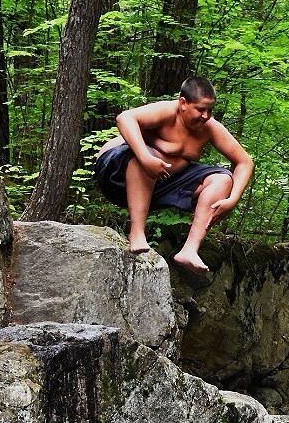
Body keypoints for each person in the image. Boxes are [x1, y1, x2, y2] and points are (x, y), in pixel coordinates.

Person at [93, 76, 253, 274]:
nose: (206, 116)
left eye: (210, 110)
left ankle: (190, 250)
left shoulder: (210, 128)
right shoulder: (167, 111)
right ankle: (136, 233)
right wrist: (145, 158)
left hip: (161, 185)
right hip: (114, 175)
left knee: (222, 179)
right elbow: (124, 118)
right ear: (183, 103)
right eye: (200, 109)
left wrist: (233, 199)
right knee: (144, 157)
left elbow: (245, 162)